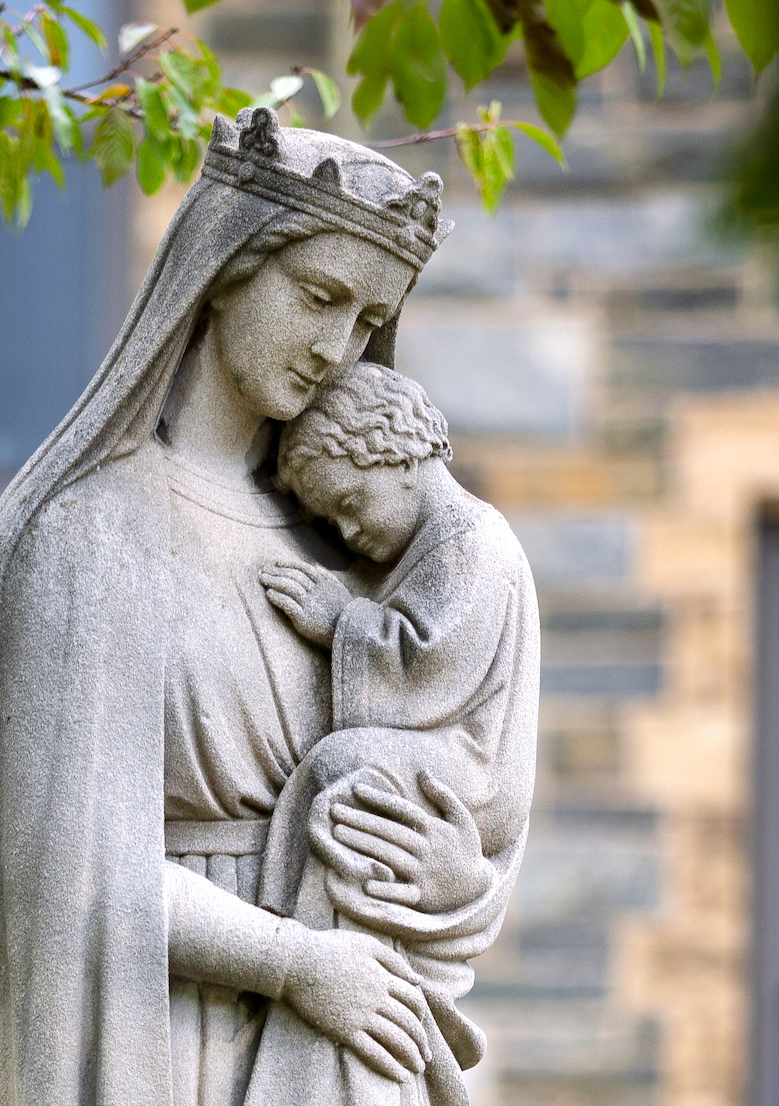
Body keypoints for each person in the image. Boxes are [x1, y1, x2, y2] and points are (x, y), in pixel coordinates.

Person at [0, 110, 538, 1106]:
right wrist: (295, 962)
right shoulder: (92, 531)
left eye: (367, 319)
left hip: (355, 1051)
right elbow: (62, 875)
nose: (335, 346)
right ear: (229, 266)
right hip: (159, 1040)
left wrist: (451, 879)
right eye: (318, 295)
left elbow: (459, 771)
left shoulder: (349, 539)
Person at [248, 360, 542, 1104]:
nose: (347, 531)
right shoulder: (429, 546)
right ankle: (313, 945)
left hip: (467, 775)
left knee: (346, 761)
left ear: (395, 453)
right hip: (444, 761)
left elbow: (425, 663)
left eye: (349, 503)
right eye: (330, 523)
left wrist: (336, 619)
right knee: (342, 763)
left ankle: (326, 950)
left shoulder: (467, 540)